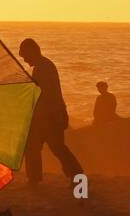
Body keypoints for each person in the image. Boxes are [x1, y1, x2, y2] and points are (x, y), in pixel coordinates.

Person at [18, 39, 84, 188]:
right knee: (34, 147)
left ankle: (77, 176)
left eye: (25, 56)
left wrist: (29, 85)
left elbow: (47, 93)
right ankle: (34, 179)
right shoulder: (42, 66)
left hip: (50, 117)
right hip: (43, 116)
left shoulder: (45, 67)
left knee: (57, 148)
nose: (25, 60)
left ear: (32, 51)